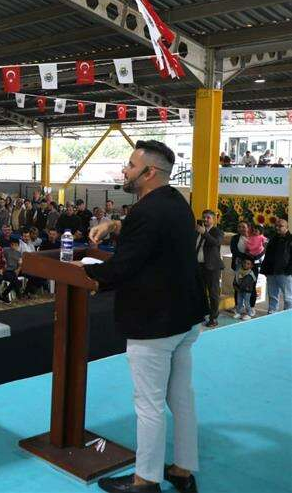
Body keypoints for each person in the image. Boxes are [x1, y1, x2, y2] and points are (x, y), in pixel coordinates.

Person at [82, 140, 207, 493]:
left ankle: (145, 480)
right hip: (185, 319)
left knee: (148, 404)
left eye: (131, 165)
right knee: (181, 398)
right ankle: (182, 470)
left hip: (155, 324)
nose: (125, 170)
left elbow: (122, 267)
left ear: (149, 172)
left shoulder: (145, 212)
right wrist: (114, 225)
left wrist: (86, 273)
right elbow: (152, 236)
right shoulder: (177, 203)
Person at [195, 209, 225, 327]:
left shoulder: (217, 231)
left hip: (212, 267)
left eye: (208, 217)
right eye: (204, 217)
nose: (205, 219)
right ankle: (201, 315)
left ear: (214, 219)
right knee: (199, 292)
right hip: (198, 266)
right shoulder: (197, 231)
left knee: (213, 293)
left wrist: (204, 233)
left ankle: (213, 318)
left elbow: (216, 243)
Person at [261, 219, 292, 313]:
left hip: (284, 273)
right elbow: (267, 255)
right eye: (276, 226)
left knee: (288, 297)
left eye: (280, 226)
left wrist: (288, 271)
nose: (278, 228)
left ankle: (287, 315)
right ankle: (272, 312)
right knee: (272, 295)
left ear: (287, 227)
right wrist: (265, 269)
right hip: (271, 271)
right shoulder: (273, 238)